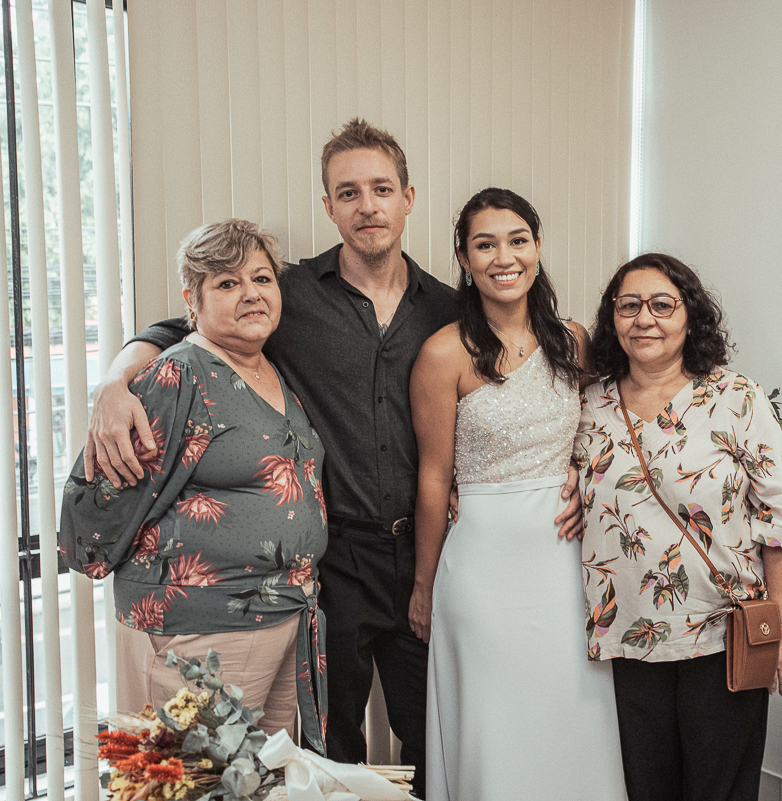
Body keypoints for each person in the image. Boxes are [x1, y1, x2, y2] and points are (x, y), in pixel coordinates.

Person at [82, 120, 589, 795]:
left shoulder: (448, 310)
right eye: (348, 192)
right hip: (336, 557)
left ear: (408, 197)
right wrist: (115, 381)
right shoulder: (290, 293)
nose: (367, 205)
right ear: (328, 206)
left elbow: (514, 400)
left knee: (434, 725)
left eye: (381, 189)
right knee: (329, 740)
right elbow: (191, 325)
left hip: (431, 554)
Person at [60, 220, 328, 747]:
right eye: (227, 283)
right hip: (199, 633)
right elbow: (97, 504)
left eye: (261, 279)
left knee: (265, 780)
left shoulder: (272, 370)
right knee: (194, 780)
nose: (250, 293)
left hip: (281, 618)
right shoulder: (176, 375)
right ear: (192, 298)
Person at [409, 188, 627, 801]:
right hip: (482, 563)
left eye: (517, 240)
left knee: (571, 714)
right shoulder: (443, 353)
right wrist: (424, 586)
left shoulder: (574, 340)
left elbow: (605, 428)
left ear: (536, 248)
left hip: (565, 562)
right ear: (464, 257)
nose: (503, 257)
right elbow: (432, 479)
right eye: (485, 244)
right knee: (495, 723)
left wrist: (587, 480)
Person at [573, 253, 782, 801]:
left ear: (690, 316)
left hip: (721, 635)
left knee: (716, 790)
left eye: (662, 304)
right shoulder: (590, 404)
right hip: (629, 634)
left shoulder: (736, 398)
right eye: (628, 305)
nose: (644, 318)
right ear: (612, 318)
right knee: (646, 789)